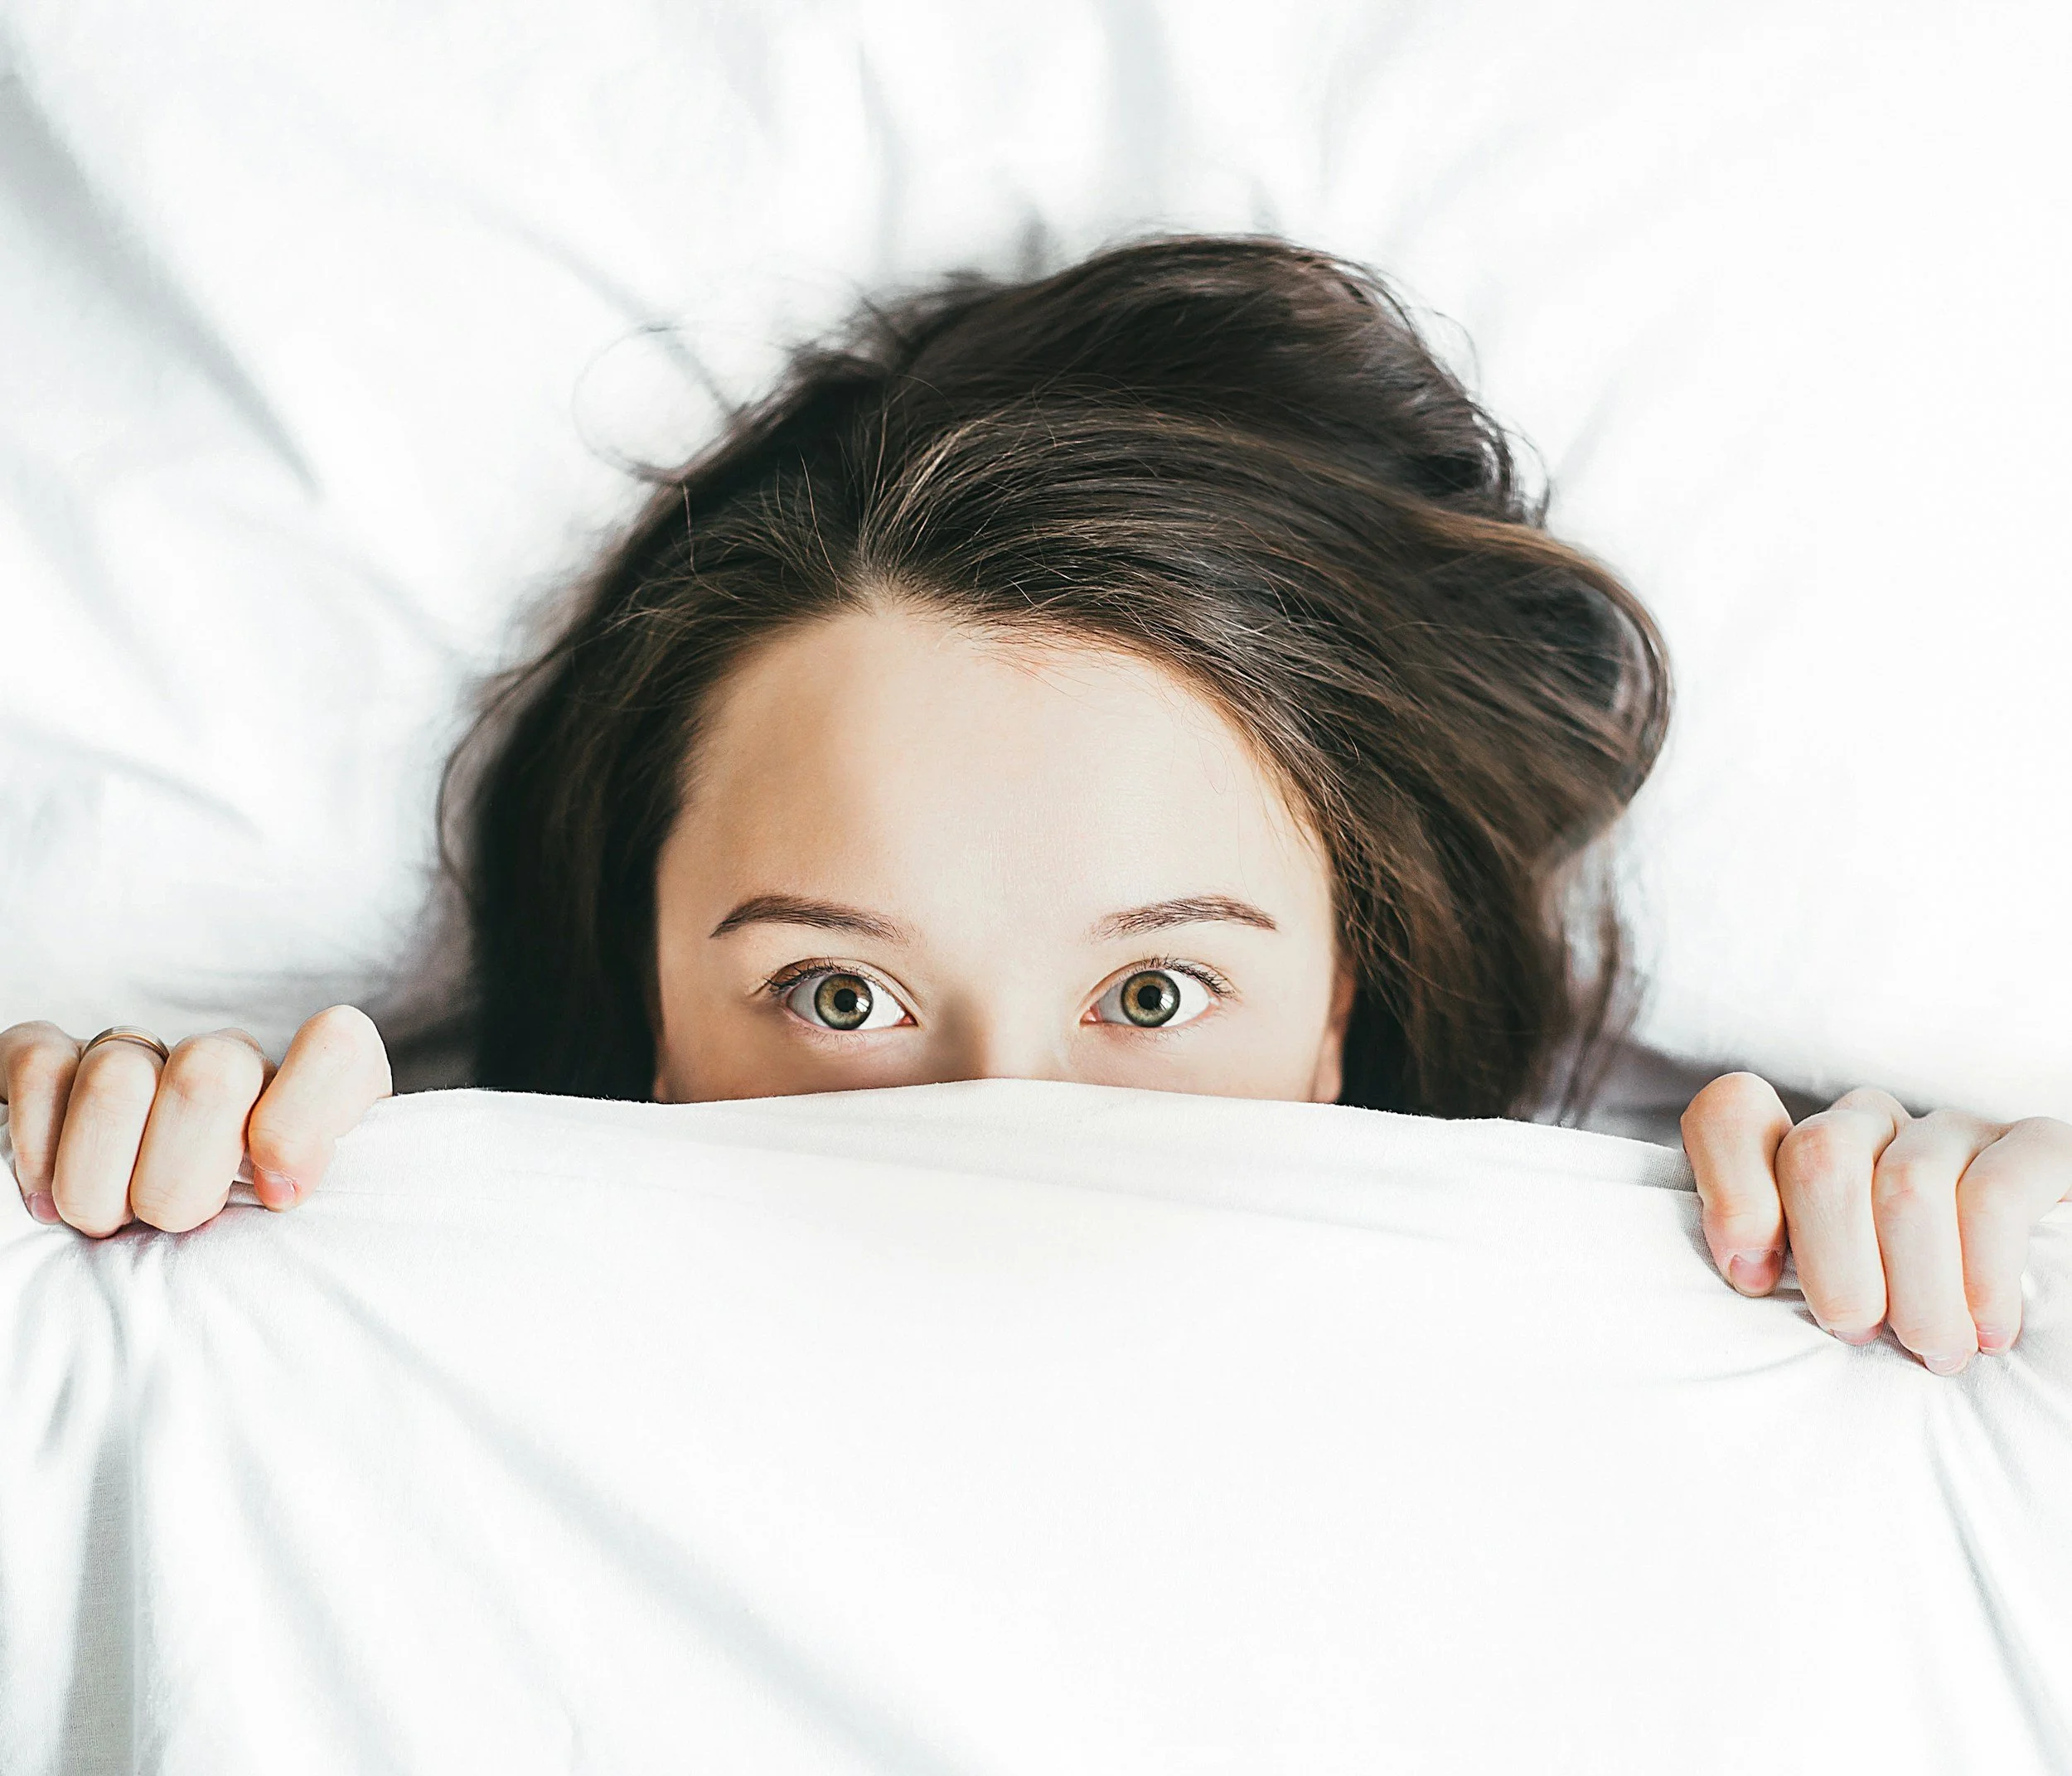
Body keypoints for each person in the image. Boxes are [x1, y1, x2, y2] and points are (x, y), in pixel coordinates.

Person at [3, 235, 2065, 1373]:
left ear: (1352, 999)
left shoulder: (1687, 1327)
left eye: (1155, 996)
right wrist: (88, 1202)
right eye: (833, 994)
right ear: (637, 992)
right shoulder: (360, 1315)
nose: (999, 1134)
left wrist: (1985, 1254)